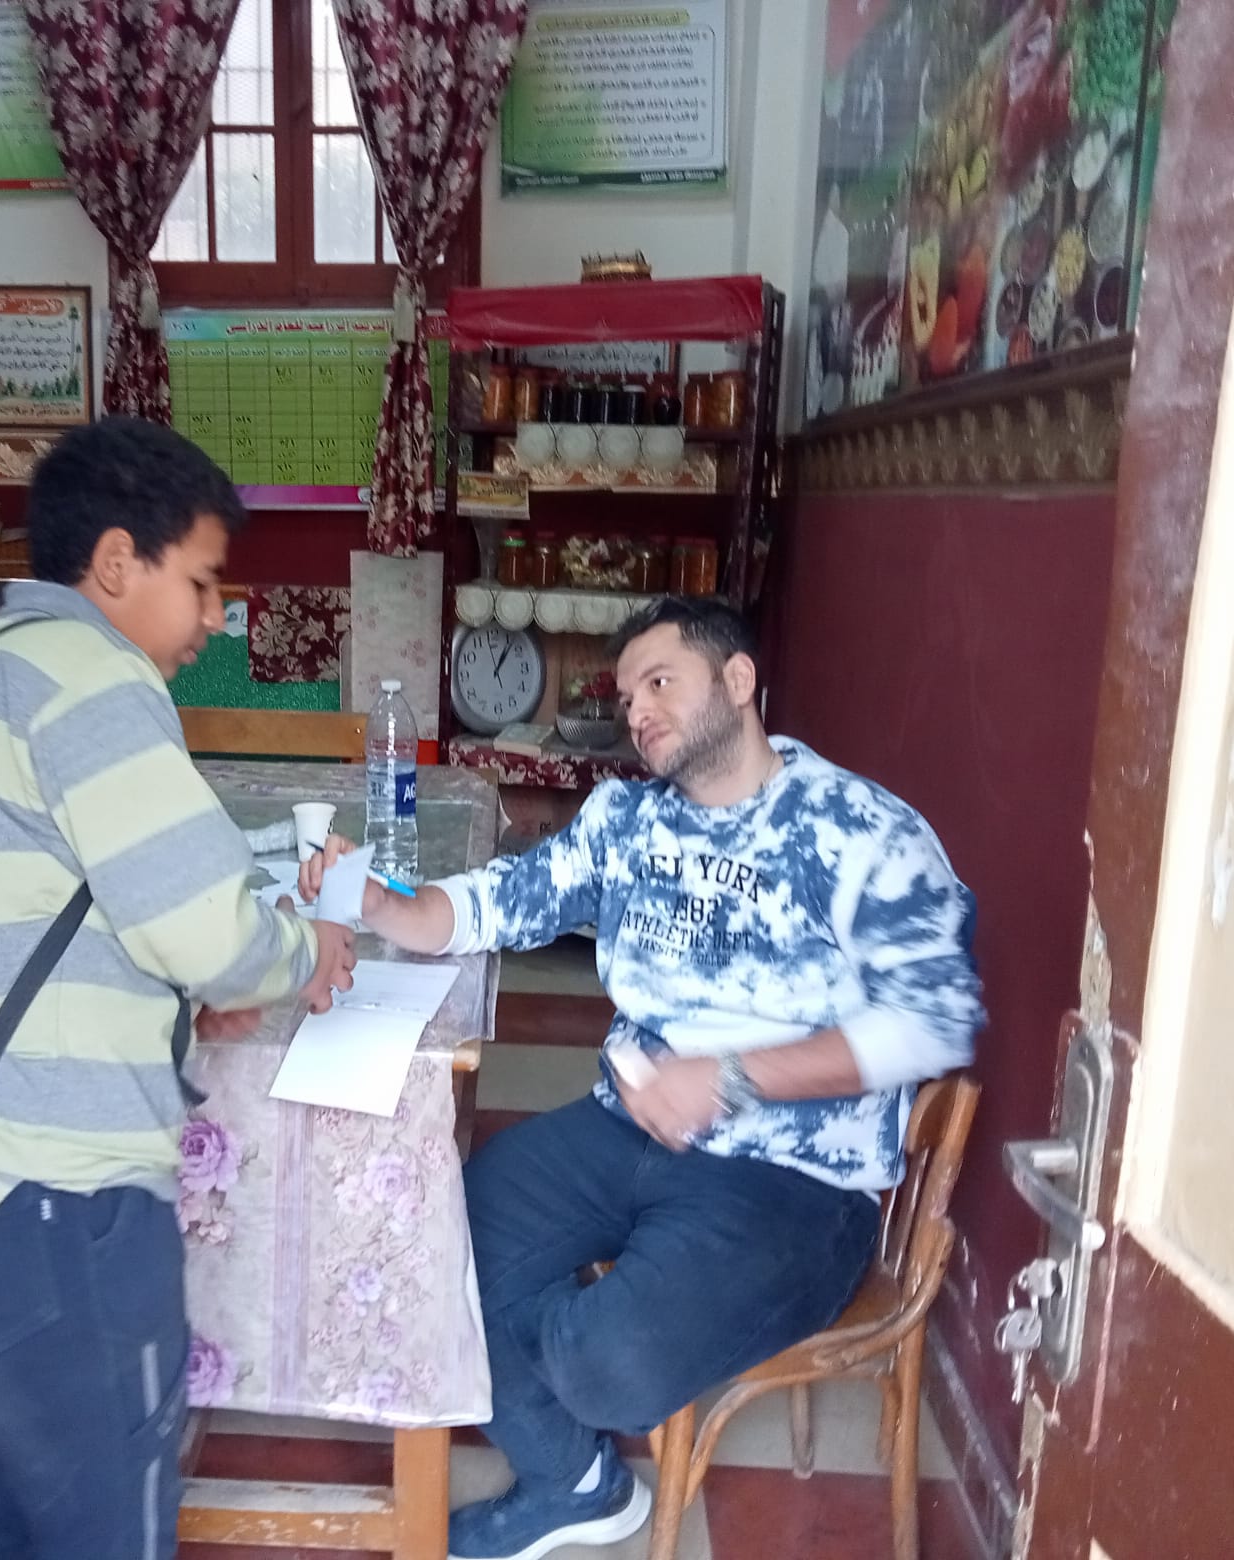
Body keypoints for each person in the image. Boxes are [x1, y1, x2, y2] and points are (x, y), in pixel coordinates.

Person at [301, 596, 983, 1560]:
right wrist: (382, 903)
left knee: (606, 1364)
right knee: (428, 1240)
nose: (639, 712)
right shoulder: (627, 820)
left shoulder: (859, 829)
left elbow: (938, 1021)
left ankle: (558, 1358)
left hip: (794, 1178)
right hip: (626, 1126)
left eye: (661, 682)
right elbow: (501, 900)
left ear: (738, 681)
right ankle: (573, 1481)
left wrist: (731, 1078)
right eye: (627, 697)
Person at [0, 416, 357, 1560]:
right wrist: (306, 952)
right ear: (114, 563)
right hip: (59, 1208)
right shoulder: (91, 678)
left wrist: (175, 998)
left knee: (11, 1513)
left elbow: (62, 907)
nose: (215, 616)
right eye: (200, 581)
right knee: (107, 1528)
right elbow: (207, 928)